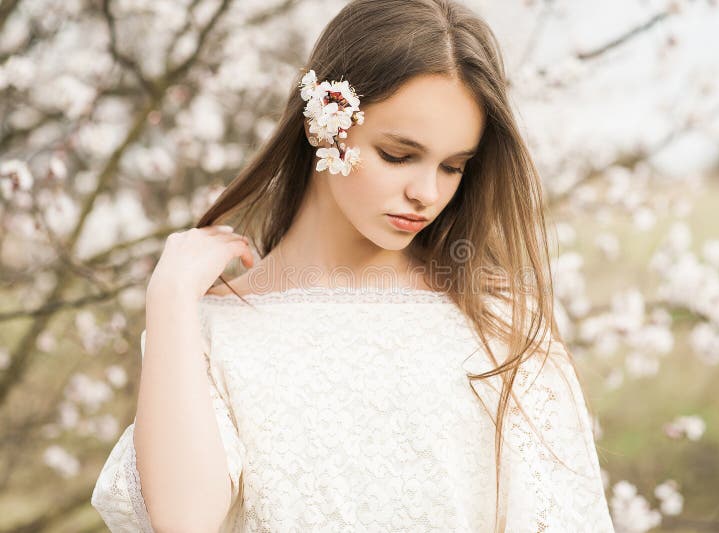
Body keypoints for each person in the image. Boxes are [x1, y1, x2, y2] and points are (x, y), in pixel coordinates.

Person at [91, 0, 616, 531]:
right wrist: (171, 298)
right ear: (324, 123)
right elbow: (183, 523)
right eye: (397, 154)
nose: (426, 193)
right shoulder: (204, 329)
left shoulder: (502, 322)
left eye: (453, 167)